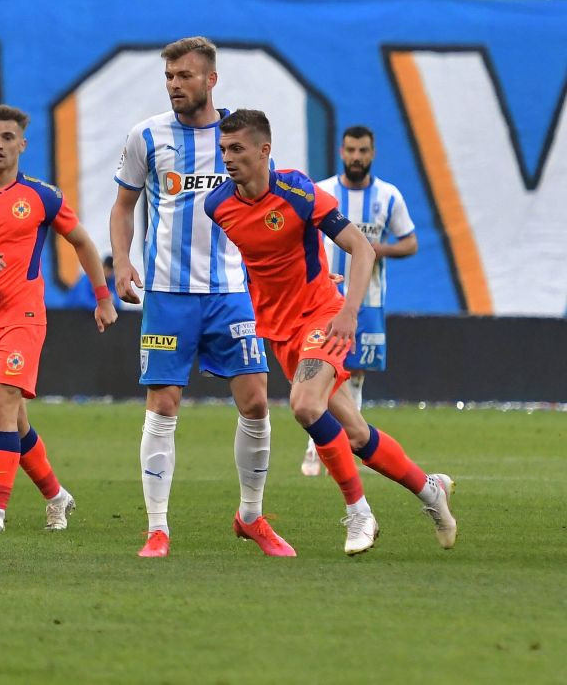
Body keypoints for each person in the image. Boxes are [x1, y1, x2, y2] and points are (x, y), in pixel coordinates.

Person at [204, 108, 457, 555]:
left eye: (237, 148)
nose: (227, 158)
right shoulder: (217, 205)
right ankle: (430, 489)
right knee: (355, 433)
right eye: (223, 148)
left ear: (264, 151)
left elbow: (362, 248)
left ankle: (360, 514)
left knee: (305, 405)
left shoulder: (298, 191)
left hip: (322, 316)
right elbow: (261, 261)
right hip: (279, 331)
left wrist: (348, 312)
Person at [110, 36, 293, 560]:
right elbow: (123, 206)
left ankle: (251, 516)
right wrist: (121, 261)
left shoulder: (238, 136)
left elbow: (268, 205)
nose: (174, 85)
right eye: (169, 76)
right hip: (168, 293)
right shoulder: (147, 135)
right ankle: (157, 529)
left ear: (211, 80)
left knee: (255, 401)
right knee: (164, 404)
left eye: (184, 76)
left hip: (231, 290)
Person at [0, 104, 117, 533]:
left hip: (25, 315)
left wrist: (103, 297)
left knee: (2, 400)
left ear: (22, 145)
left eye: (7, 137)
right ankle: (56, 496)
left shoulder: (42, 196)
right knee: (14, 419)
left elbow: (82, 242)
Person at [300, 125, 417, 476]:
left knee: (355, 374)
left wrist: (375, 249)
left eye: (363, 151)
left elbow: (410, 242)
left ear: (372, 153)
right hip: (324, 298)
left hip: (368, 300)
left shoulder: (388, 196)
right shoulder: (322, 191)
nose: (356, 157)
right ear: (341, 152)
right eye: (350, 150)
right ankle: (316, 446)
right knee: (321, 370)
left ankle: (350, 441)